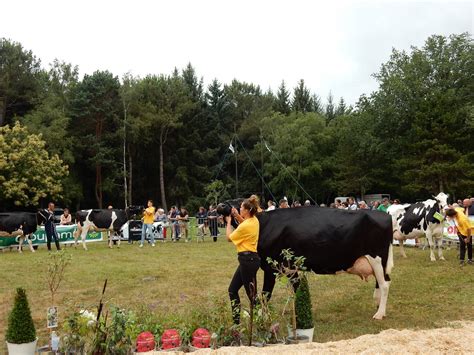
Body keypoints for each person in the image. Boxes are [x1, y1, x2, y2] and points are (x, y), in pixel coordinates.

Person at [225, 195, 261, 325]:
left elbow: (229, 238)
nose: (239, 209)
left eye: (241, 208)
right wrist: (236, 215)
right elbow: (244, 223)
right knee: (232, 290)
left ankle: (262, 322)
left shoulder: (245, 226)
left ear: (247, 210)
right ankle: (236, 323)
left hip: (248, 261)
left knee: (252, 296)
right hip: (249, 260)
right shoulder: (254, 220)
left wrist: (228, 222)